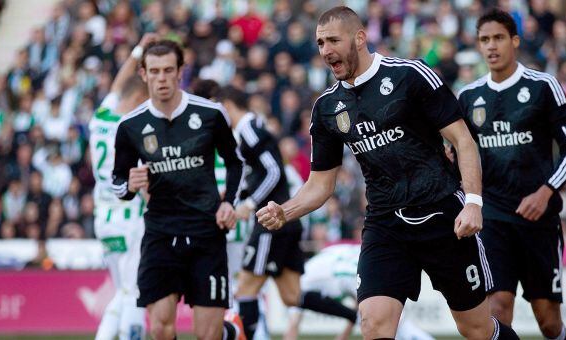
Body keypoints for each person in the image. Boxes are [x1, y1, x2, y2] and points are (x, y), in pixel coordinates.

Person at [256, 6, 518, 340]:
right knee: (374, 323)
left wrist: (473, 203)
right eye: (321, 43)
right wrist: (285, 211)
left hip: (444, 216)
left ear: (360, 38)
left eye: (333, 40)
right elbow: (321, 183)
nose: (326, 50)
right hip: (386, 224)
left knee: (477, 330)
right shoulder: (326, 108)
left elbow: (463, 140)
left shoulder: (410, 75)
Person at [457, 9, 566, 339]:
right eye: (484, 40)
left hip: (538, 220)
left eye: (498, 38)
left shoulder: (543, 86)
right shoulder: (469, 97)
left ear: (514, 41)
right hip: (493, 218)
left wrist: (546, 191)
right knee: (497, 308)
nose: (491, 46)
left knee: (548, 320)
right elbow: (461, 155)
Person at [111, 40, 245, 340]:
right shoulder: (130, 126)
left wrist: (229, 203)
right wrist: (129, 186)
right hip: (160, 233)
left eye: (168, 70)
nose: (162, 78)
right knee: (160, 328)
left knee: (206, 335)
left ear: (180, 72)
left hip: (205, 232)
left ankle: (228, 330)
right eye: (155, 71)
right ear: (143, 74)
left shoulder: (210, 114)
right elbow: (118, 181)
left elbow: (235, 162)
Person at [216, 85, 357, 340]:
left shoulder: (248, 130)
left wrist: (250, 204)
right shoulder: (252, 129)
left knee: (246, 290)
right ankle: (351, 315)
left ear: (226, 106)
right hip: (289, 222)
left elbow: (273, 172)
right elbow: (264, 173)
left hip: (272, 221)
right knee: (291, 296)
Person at [91, 33, 154, 340]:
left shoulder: (99, 119)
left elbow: (118, 85)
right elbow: (143, 183)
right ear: (138, 100)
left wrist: (139, 48)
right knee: (135, 291)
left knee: (121, 290)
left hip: (103, 217)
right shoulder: (132, 131)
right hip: (129, 217)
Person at [284, 243, 434, 340]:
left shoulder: (300, 285)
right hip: (372, 260)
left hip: (356, 273)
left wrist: (343, 335)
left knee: (393, 325)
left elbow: (292, 327)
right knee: (391, 322)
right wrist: (344, 335)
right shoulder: (322, 257)